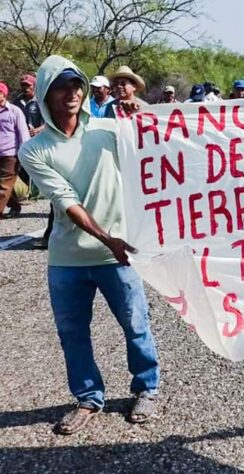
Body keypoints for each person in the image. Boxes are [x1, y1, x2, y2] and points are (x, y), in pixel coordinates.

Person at [18, 55, 160, 435]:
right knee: (73, 334)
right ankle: (88, 398)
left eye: (77, 84)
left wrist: (139, 110)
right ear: (46, 93)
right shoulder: (33, 150)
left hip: (120, 253)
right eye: (62, 86)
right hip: (69, 258)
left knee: (136, 325)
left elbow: (160, 140)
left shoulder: (109, 128)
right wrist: (105, 238)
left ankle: (146, 388)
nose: (73, 92)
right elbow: (66, 201)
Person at [0, 81, 30, 218]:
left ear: (4, 95)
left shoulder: (14, 111)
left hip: (10, 154)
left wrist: (24, 154)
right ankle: (15, 205)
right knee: (5, 185)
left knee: (4, 186)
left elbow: (23, 133)